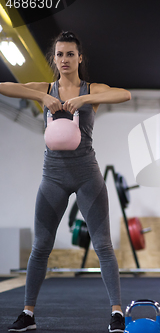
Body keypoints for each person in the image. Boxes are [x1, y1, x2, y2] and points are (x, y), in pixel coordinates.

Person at [0, 31, 131, 332]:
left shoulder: (91, 89)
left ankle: (116, 313)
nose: (64, 59)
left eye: (70, 54)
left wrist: (86, 98)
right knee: (40, 246)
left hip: (87, 175)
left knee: (103, 246)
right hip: (53, 177)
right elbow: (4, 87)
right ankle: (28, 313)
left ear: (79, 57)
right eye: (59, 54)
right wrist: (42, 96)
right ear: (54, 58)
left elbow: (125, 94)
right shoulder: (45, 87)